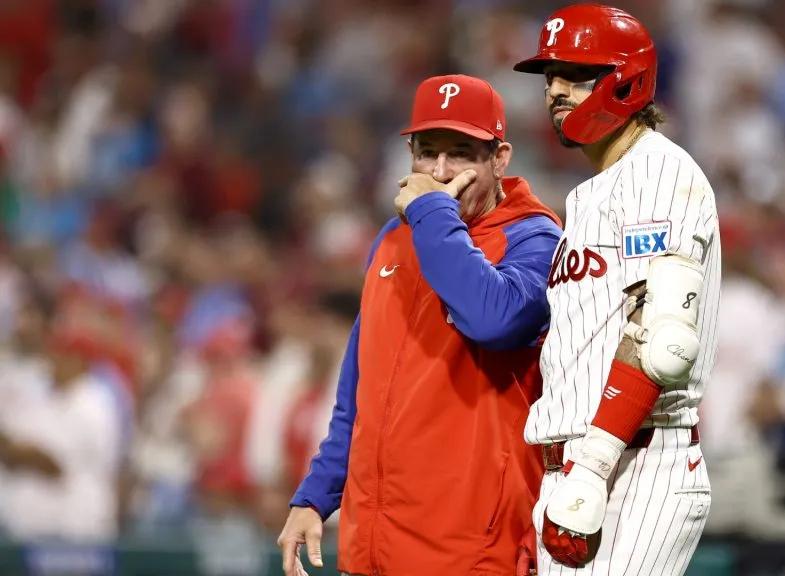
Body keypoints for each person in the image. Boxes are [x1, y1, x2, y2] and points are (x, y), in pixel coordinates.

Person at [276, 74, 562, 576]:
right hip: (374, 542)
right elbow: (360, 386)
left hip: (468, 548)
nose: (441, 171)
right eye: (427, 152)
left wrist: (433, 212)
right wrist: (317, 493)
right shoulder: (393, 239)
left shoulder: (535, 239)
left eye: (461, 153)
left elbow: (496, 321)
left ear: (499, 159)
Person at [512, 5, 721, 574]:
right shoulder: (589, 193)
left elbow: (661, 339)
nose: (555, 89)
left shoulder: (657, 172)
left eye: (575, 74)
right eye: (549, 76)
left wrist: (593, 466)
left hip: (635, 464)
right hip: (581, 466)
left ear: (626, 79)